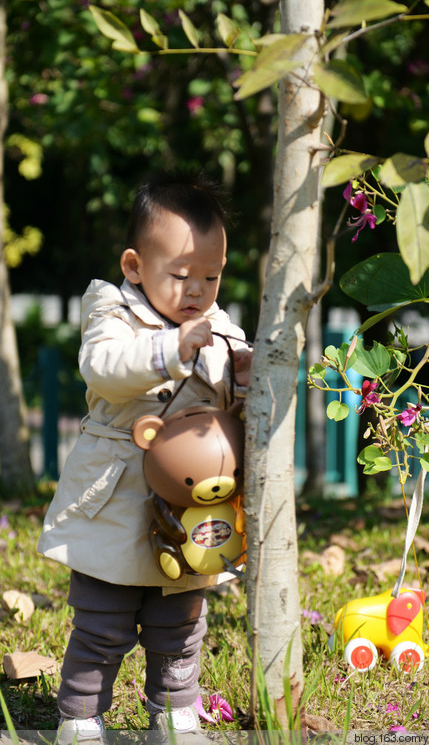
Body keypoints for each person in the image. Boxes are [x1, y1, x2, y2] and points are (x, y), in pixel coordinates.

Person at [37, 170, 252, 742]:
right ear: (135, 267)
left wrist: (249, 376)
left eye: (211, 276)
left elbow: (232, 396)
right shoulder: (112, 313)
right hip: (117, 501)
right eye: (180, 275)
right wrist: (169, 349)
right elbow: (104, 372)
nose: (198, 291)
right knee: (102, 621)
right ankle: (81, 716)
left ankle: (175, 710)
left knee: (180, 619)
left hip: (189, 507)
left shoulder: (220, 329)